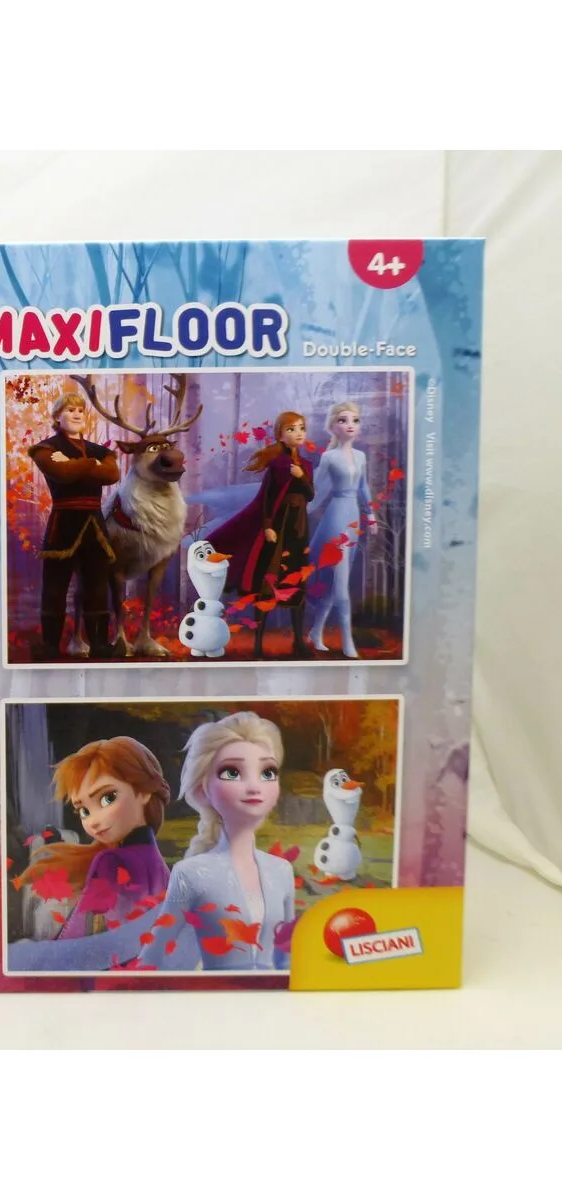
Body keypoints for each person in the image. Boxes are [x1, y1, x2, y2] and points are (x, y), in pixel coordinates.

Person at [139, 712, 295, 971]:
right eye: (232, 772)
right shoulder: (191, 873)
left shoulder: (281, 871)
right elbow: (151, 959)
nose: (254, 786)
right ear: (203, 790)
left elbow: (287, 957)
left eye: (267, 772)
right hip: (216, 994)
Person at [15, 736, 169, 938]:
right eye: (84, 811)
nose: (93, 821)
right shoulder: (163, 868)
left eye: (108, 798)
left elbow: (78, 936)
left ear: (144, 791)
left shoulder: (110, 861)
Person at [207, 411, 316, 657]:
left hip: (299, 530)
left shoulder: (307, 466)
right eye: (291, 429)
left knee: (297, 582)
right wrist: (267, 526)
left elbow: (310, 495)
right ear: (280, 435)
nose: (298, 433)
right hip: (278, 529)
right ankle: (258, 644)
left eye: (301, 428)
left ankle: (298, 642)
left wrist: (301, 478)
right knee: (267, 583)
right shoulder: (277, 465)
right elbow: (265, 498)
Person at [27, 393, 119, 659]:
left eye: (80, 410)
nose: (77, 414)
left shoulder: (101, 450)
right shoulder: (45, 448)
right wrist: (91, 464)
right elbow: (62, 474)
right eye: (70, 410)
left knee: (97, 586)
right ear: (58, 417)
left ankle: (100, 644)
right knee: (54, 588)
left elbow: (111, 474)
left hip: (95, 526)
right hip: (63, 524)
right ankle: (50, 646)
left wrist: (76, 464)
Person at [307, 401, 377, 659]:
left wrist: (370, 514)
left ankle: (315, 632)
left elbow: (363, 487)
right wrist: (300, 507)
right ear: (333, 426)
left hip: (353, 518)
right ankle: (347, 640)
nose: (350, 425)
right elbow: (314, 489)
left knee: (334, 580)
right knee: (340, 583)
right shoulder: (328, 457)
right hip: (336, 518)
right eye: (343, 420)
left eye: (355, 420)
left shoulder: (361, 456)